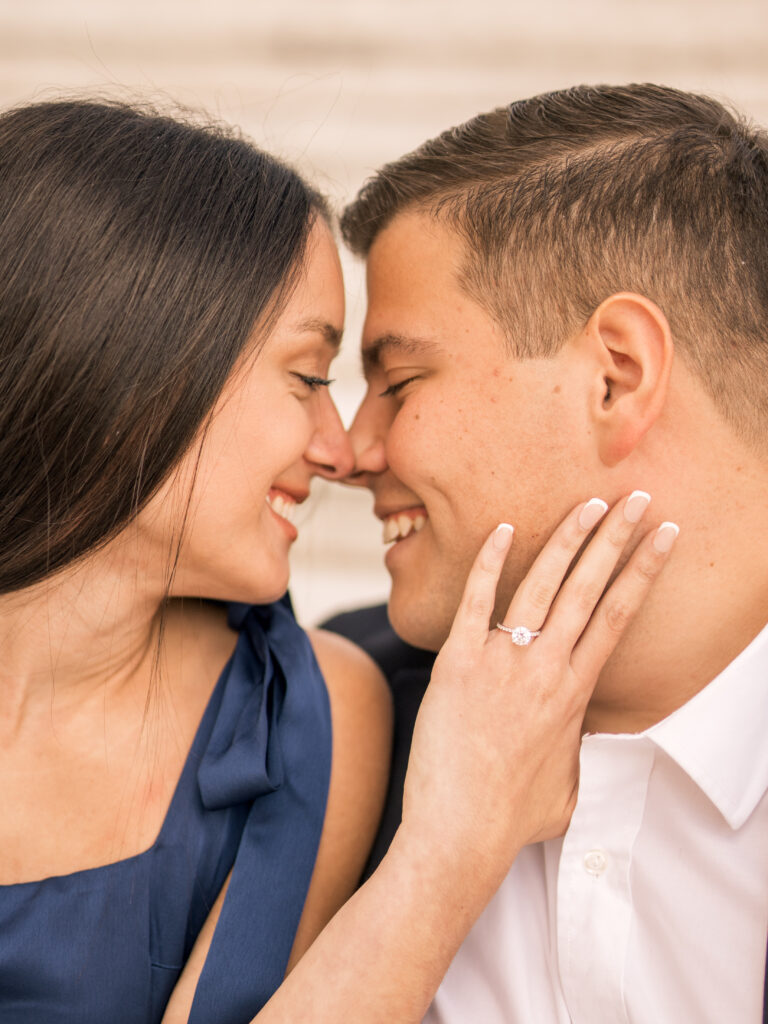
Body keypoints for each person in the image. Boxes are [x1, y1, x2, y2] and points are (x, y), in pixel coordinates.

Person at [0, 96, 672, 1024]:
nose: (340, 448)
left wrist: (456, 841)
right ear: (135, 365)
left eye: (378, 384)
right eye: (309, 378)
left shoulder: (305, 715)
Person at [335, 82, 768, 1023]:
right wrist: (437, 864)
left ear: (615, 376)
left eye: (399, 382)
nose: (350, 452)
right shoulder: (340, 717)